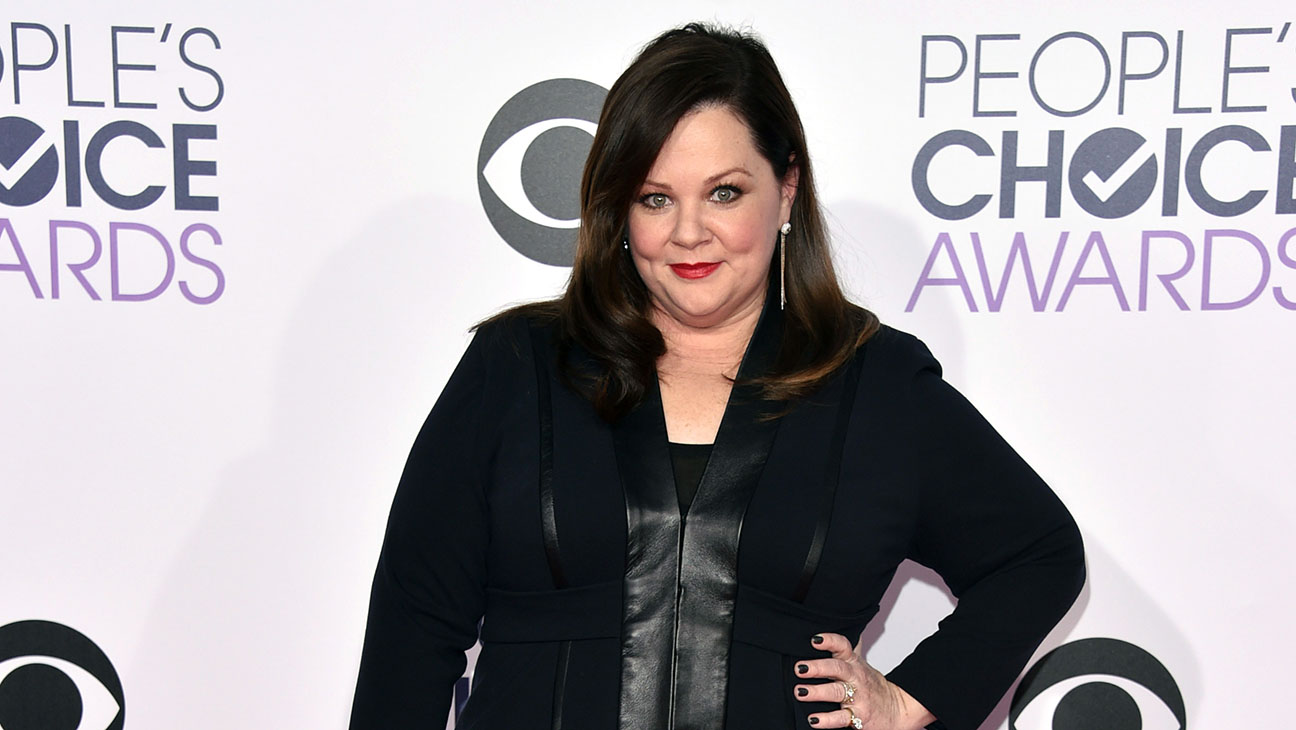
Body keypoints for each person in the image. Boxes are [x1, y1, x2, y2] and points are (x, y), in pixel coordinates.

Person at [349, 22, 1084, 730]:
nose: (689, 232)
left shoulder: (876, 385)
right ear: (620, 209)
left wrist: (910, 697)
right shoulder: (516, 368)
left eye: (724, 192)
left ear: (786, 188)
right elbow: (413, 626)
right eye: (655, 198)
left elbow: (1039, 555)